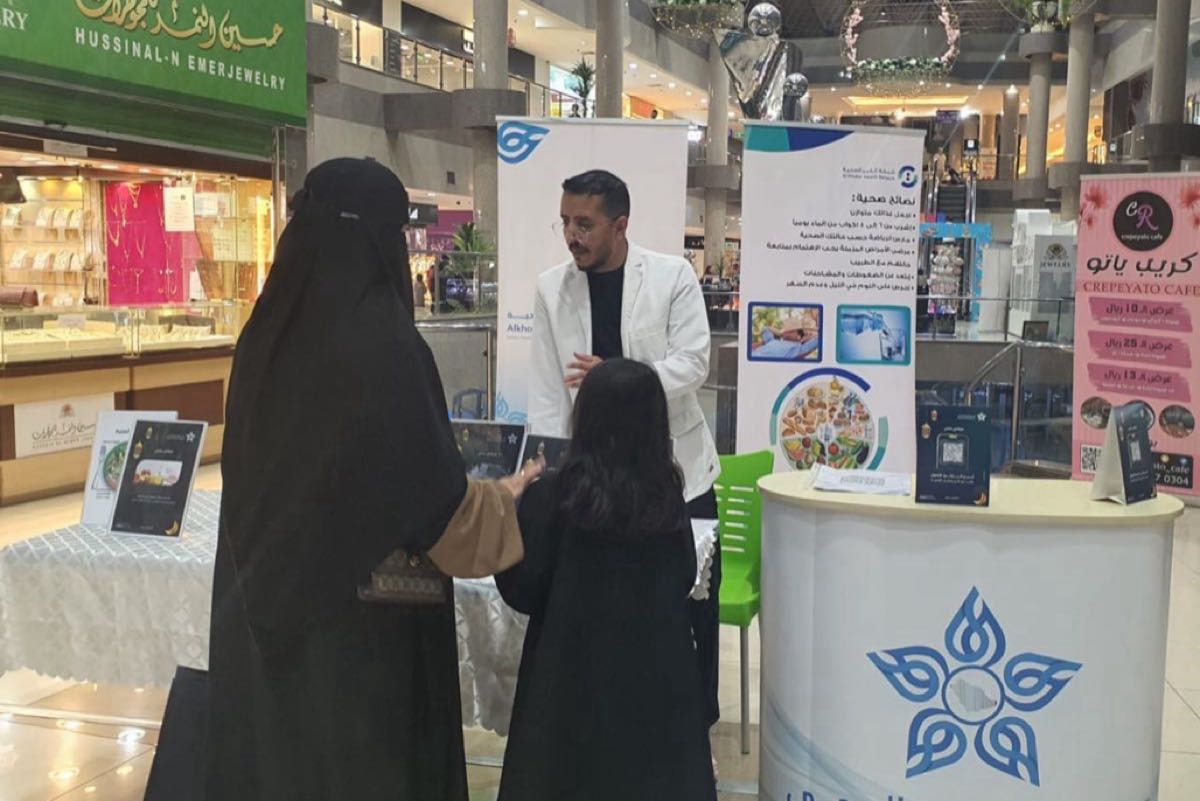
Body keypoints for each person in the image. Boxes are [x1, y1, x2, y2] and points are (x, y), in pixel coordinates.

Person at [207, 159, 543, 801]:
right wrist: (504, 499)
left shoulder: (263, 338)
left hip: (264, 619)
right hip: (364, 643)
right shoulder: (386, 348)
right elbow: (435, 505)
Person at [529, 169, 723, 731]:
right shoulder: (550, 289)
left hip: (676, 475)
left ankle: (695, 730)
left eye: (584, 224)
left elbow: (694, 363)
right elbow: (548, 392)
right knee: (605, 616)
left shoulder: (671, 277)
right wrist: (545, 477)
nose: (572, 235)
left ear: (620, 225)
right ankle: (610, 734)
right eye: (565, 222)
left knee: (691, 608)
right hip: (591, 485)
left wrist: (617, 376)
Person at [497, 359, 716, 801]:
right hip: (655, 694)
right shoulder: (667, 496)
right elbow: (684, 578)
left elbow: (521, 588)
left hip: (565, 692)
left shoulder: (551, 495)